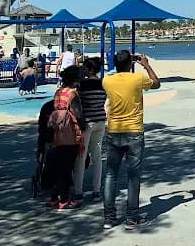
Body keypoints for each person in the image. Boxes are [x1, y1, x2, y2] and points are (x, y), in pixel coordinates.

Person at [102, 51, 159, 231]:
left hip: (114, 131)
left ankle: (109, 217)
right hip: (134, 132)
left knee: (111, 174)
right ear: (131, 63)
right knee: (133, 176)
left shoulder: (107, 81)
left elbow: (113, 77)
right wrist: (146, 65)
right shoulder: (137, 79)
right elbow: (156, 84)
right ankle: (132, 217)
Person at [47, 65, 84, 210]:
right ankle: (65, 199)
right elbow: (78, 114)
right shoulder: (73, 94)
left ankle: (54, 197)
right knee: (66, 167)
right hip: (70, 133)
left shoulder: (58, 92)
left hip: (57, 131)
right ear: (75, 79)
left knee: (57, 166)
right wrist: (82, 126)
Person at [73, 57, 106, 205]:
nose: (83, 70)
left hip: (87, 123)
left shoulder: (82, 85)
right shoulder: (103, 84)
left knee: (81, 157)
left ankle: (78, 192)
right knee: (97, 157)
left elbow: (78, 102)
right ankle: (96, 191)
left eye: (85, 68)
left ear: (90, 69)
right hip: (100, 121)